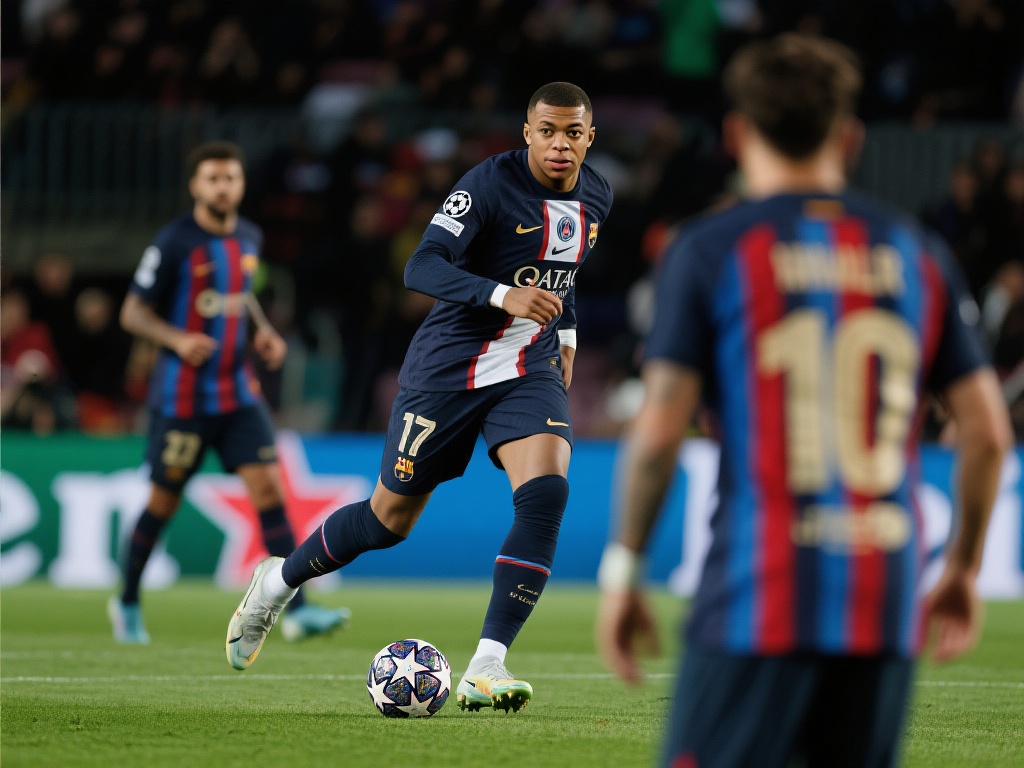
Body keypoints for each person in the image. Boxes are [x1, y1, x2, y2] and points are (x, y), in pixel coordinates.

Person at [595, 34, 1013, 768]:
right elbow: (986, 433)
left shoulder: (711, 248)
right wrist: (963, 569)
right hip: (883, 597)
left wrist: (623, 573)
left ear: (735, 136)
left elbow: (658, 434)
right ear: (850, 138)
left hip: (758, 592)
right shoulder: (918, 252)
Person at [225, 82, 614, 713]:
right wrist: (503, 295)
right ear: (527, 132)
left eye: (573, 133)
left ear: (589, 137)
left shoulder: (597, 194)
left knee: (546, 493)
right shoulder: (487, 185)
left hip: (528, 366)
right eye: (547, 131)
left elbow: (562, 273)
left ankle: (487, 665)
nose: (560, 144)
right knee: (388, 521)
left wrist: (565, 336)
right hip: (448, 368)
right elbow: (421, 266)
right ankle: (277, 582)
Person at [110, 141, 349, 645]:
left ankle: (300, 610)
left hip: (239, 394)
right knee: (163, 502)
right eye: (213, 179)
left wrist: (262, 330)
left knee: (271, 494)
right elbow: (132, 312)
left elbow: (242, 294)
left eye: (231, 178)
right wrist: (177, 339)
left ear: (241, 185)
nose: (223, 187)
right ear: (195, 186)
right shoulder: (174, 242)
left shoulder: (249, 236)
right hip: (183, 399)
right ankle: (127, 601)